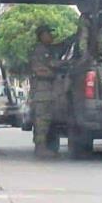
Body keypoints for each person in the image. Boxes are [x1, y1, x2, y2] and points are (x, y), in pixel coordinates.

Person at [29, 25, 66, 158]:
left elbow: (62, 46)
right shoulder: (39, 51)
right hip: (41, 91)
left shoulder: (49, 50)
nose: (51, 36)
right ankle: (40, 148)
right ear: (42, 35)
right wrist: (53, 72)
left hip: (48, 91)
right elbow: (39, 70)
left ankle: (45, 147)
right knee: (41, 120)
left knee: (48, 119)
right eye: (48, 34)